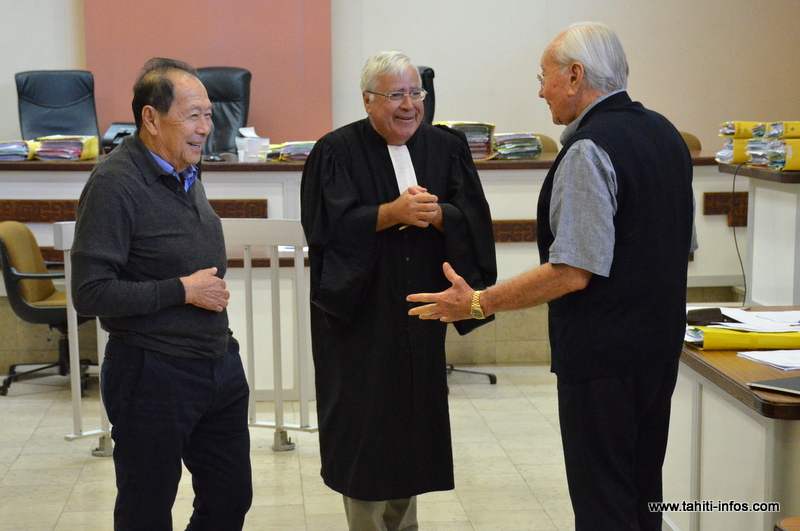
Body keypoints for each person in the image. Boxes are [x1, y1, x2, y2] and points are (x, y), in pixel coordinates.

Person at [408, 22, 696, 531]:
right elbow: (682, 247)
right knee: (642, 492)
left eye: (544, 77)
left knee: (604, 503)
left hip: (603, 359)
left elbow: (570, 272)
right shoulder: (667, 135)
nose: (540, 90)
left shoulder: (589, 148)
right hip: (659, 350)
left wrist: (477, 302)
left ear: (575, 76)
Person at [300, 50, 497, 530]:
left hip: (420, 313)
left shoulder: (446, 148)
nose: (408, 105)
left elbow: (473, 217)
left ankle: (404, 523)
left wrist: (441, 216)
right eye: (396, 96)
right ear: (368, 100)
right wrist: (390, 214)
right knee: (365, 427)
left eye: (416, 94)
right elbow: (324, 229)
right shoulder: (336, 151)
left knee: (413, 423)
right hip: (361, 317)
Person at [71, 58, 252, 530]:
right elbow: (90, 293)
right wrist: (182, 290)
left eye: (209, 115)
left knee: (231, 498)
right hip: (152, 372)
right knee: (147, 510)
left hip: (216, 364)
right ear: (150, 118)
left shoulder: (187, 170)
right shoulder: (114, 183)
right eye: (193, 115)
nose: (205, 128)